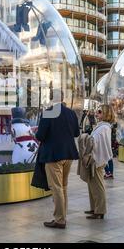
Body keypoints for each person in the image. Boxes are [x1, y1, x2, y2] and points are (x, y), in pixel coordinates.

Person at [35, 93, 80, 229]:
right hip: (69, 154)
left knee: (57, 188)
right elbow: (76, 133)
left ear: (50, 99)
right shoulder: (71, 113)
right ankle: (62, 216)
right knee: (63, 186)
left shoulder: (48, 113)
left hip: (53, 155)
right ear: (62, 98)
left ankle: (60, 219)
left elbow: (40, 135)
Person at [84, 105, 114, 219]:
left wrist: (86, 138)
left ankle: (100, 210)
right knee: (92, 184)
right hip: (95, 158)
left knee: (97, 185)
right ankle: (94, 208)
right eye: (97, 111)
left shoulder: (104, 127)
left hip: (97, 159)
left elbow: (96, 142)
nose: (97, 114)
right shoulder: (101, 126)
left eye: (100, 112)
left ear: (106, 114)